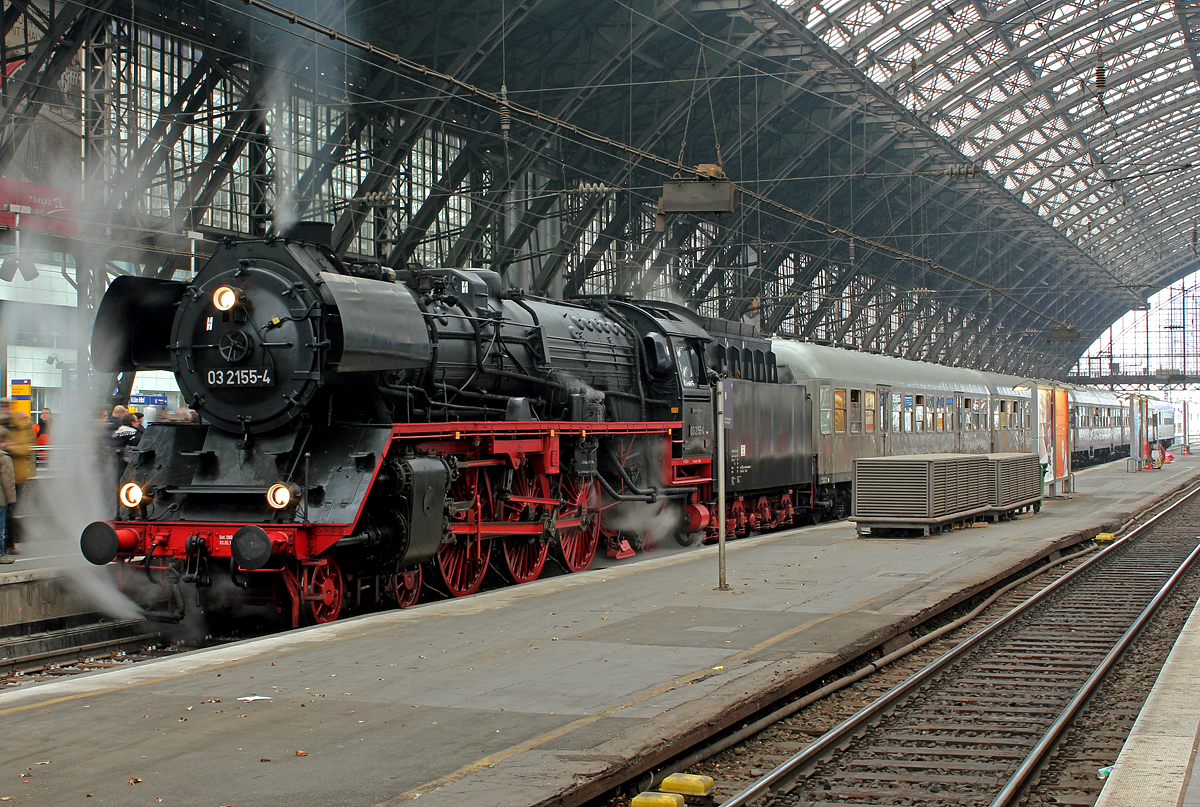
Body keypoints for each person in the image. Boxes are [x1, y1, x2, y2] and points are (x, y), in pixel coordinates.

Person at [0, 428, 15, 563]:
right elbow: (8, 481)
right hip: (1, 500)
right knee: (1, 527)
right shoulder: (5, 458)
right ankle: (0, 553)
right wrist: (11, 499)